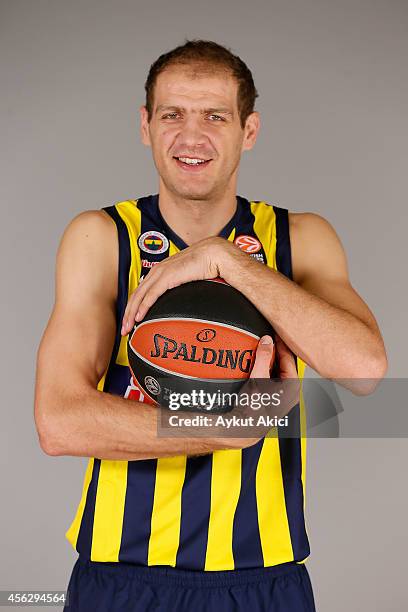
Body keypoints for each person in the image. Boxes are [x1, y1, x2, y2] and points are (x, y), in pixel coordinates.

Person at [34, 40, 387, 611]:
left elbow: (366, 369)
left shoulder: (301, 238)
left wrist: (232, 263)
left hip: (262, 580)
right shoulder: (101, 238)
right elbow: (59, 423)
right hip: (122, 578)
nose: (191, 136)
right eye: (172, 114)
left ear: (249, 130)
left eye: (215, 116)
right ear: (146, 126)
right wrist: (230, 427)